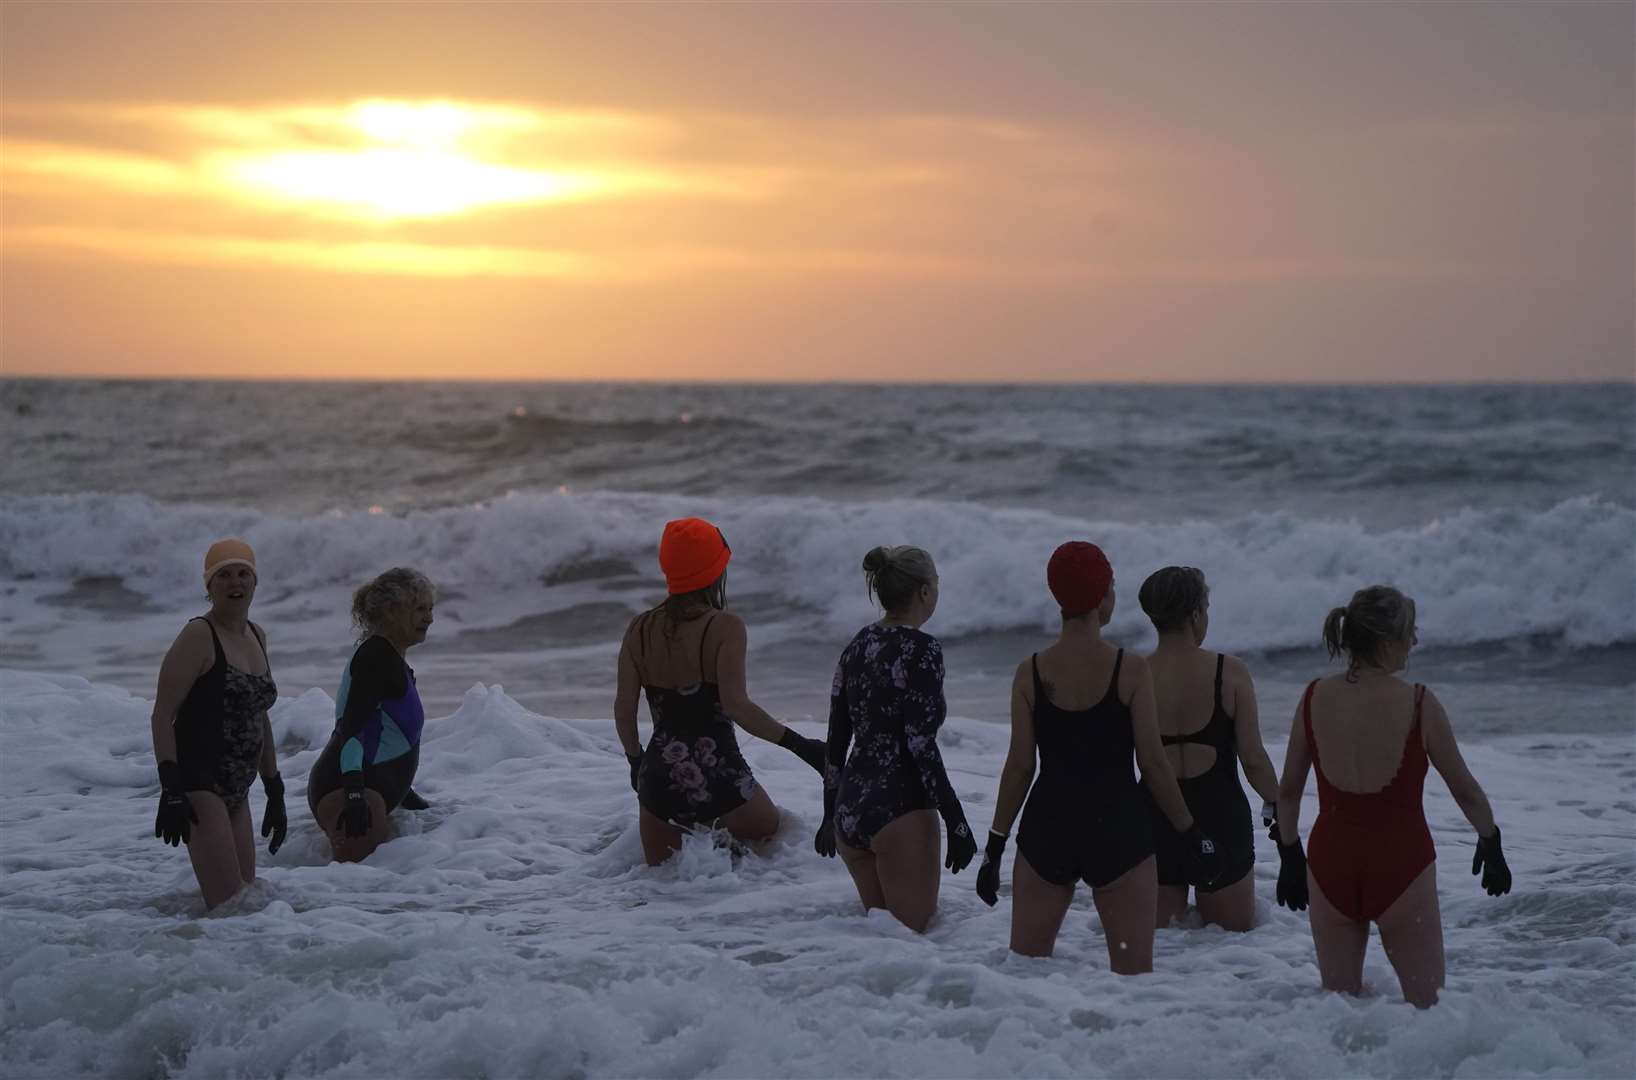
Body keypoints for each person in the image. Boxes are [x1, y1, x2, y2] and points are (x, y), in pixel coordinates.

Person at [974, 542, 1220, 972]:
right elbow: (1154, 764)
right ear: (1104, 595)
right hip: (1118, 832)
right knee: (1133, 981)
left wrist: (994, 846)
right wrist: (1191, 831)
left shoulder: (1031, 672)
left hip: (1046, 832)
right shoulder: (1129, 669)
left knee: (1025, 976)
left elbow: (1019, 767)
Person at [1274, 585, 1512, 1008]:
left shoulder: (1313, 697)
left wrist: (1290, 857)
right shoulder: (1419, 702)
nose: (1415, 642)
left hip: (1330, 865)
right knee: (1429, 1010)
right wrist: (1490, 840)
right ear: (1387, 644)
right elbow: (1465, 790)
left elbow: (1289, 789)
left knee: (1339, 1010)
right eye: (1410, 633)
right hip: (1401, 865)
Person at [614, 517, 825, 867]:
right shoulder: (724, 626)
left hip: (658, 784)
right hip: (722, 781)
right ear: (715, 570)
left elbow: (623, 710)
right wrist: (802, 747)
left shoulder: (639, 628)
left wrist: (636, 762)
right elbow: (737, 706)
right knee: (777, 844)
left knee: (666, 887)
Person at [815, 545, 977, 933]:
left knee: (881, 944)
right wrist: (956, 821)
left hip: (851, 809)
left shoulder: (856, 644)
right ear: (923, 591)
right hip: (900, 809)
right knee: (912, 947)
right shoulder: (922, 649)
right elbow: (920, 744)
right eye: (936, 584)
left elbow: (837, 735)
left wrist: (828, 813)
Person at [1140, 566, 1281, 931]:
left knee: (1162, 953)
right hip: (1220, 817)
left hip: (1156, 818)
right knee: (1228, 947)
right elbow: (1252, 757)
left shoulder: (1134, 675)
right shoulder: (1229, 672)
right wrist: (1279, 802)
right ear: (1196, 614)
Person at [150, 538, 284, 910]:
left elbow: (259, 714)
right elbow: (163, 714)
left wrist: (275, 787)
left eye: (244, 574)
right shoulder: (198, 636)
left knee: (247, 903)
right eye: (223, 575)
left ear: (255, 583)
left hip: (239, 788)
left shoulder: (258, 635)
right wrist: (171, 786)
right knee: (229, 908)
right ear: (208, 586)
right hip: (200, 784)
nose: (235, 583)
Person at [307, 567, 436, 863]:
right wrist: (354, 794)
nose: (429, 618)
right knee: (353, 897)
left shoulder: (391, 656)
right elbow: (351, 731)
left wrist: (407, 794)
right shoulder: (376, 658)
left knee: (369, 896)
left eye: (430, 609)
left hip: (367, 791)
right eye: (419, 609)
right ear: (391, 612)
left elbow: (388, 734)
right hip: (350, 793)